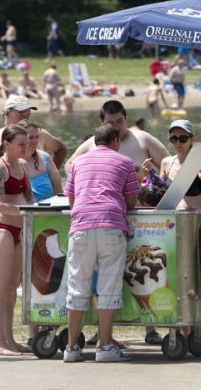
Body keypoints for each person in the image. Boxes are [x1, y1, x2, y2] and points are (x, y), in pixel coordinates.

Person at [63, 123, 140, 363]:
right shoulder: (125, 162)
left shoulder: (77, 162)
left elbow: (71, 200)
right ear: (115, 141)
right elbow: (131, 201)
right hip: (111, 225)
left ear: (96, 142)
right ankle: (105, 347)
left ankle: (71, 347)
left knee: (77, 287)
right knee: (108, 287)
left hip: (81, 227)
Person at [0, 124, 33, 356]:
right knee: (0, 287)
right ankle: (0, 343)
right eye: (21, 144)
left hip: (20, 230)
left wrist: (35, 211)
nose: (26, 147)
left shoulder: (23, 165)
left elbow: (29, 197)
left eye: (27, 143)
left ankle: (10, 340)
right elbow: (0, 205)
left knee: (13, 288)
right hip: (2, 230)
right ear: (6, 144)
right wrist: (26, 211)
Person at [158, 119, 201, 210]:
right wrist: (149, 177)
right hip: (172, 221)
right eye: (173, 139)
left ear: (192, 139)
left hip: (195, 221)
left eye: (183, 139)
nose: (178, 143)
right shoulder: (166, 163)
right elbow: (158, 196)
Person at [20, 120, 62, 203]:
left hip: (47, 213)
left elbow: (59, 193)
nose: (35, 141)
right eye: (31, 137)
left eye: (37, 137)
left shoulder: (45, 158)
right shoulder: (11, 162)